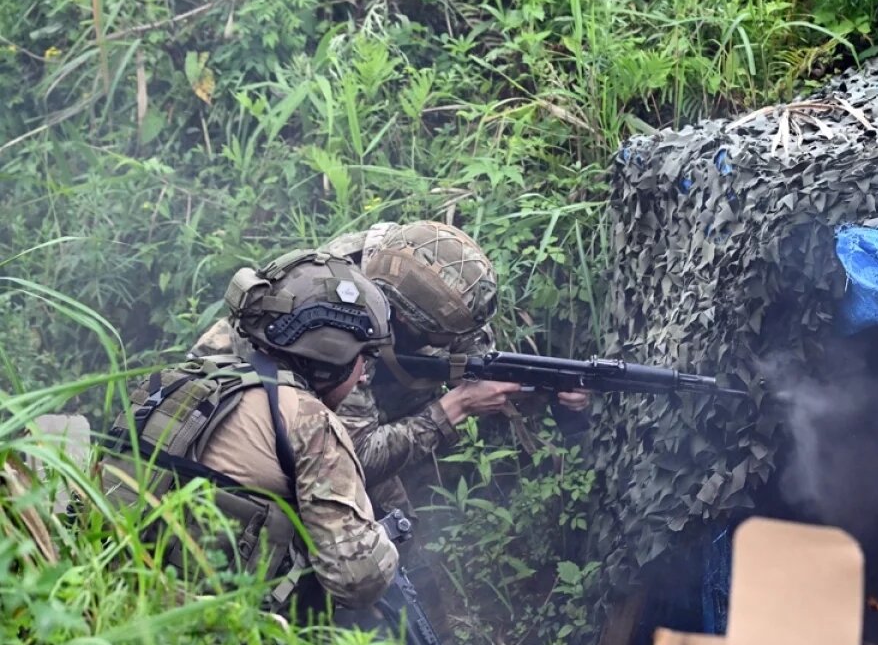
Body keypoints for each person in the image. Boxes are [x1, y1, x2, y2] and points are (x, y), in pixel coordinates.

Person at [100, 249, 464, 645]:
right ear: (332, 360)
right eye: (363, 361)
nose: (364, 376)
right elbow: (358, 580)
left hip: (111, 613)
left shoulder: (165, 380)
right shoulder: (308, 420)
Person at [189, 221, 590, 518]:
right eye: (436, 335)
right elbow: (353, 456)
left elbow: (481, 367)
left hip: (345, 399)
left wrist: (548, 394)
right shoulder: (339, 322)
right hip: (241, 404)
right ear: (397, 317)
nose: (449, 344)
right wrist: (456, 407)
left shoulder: (427, 277)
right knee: (388, 527)